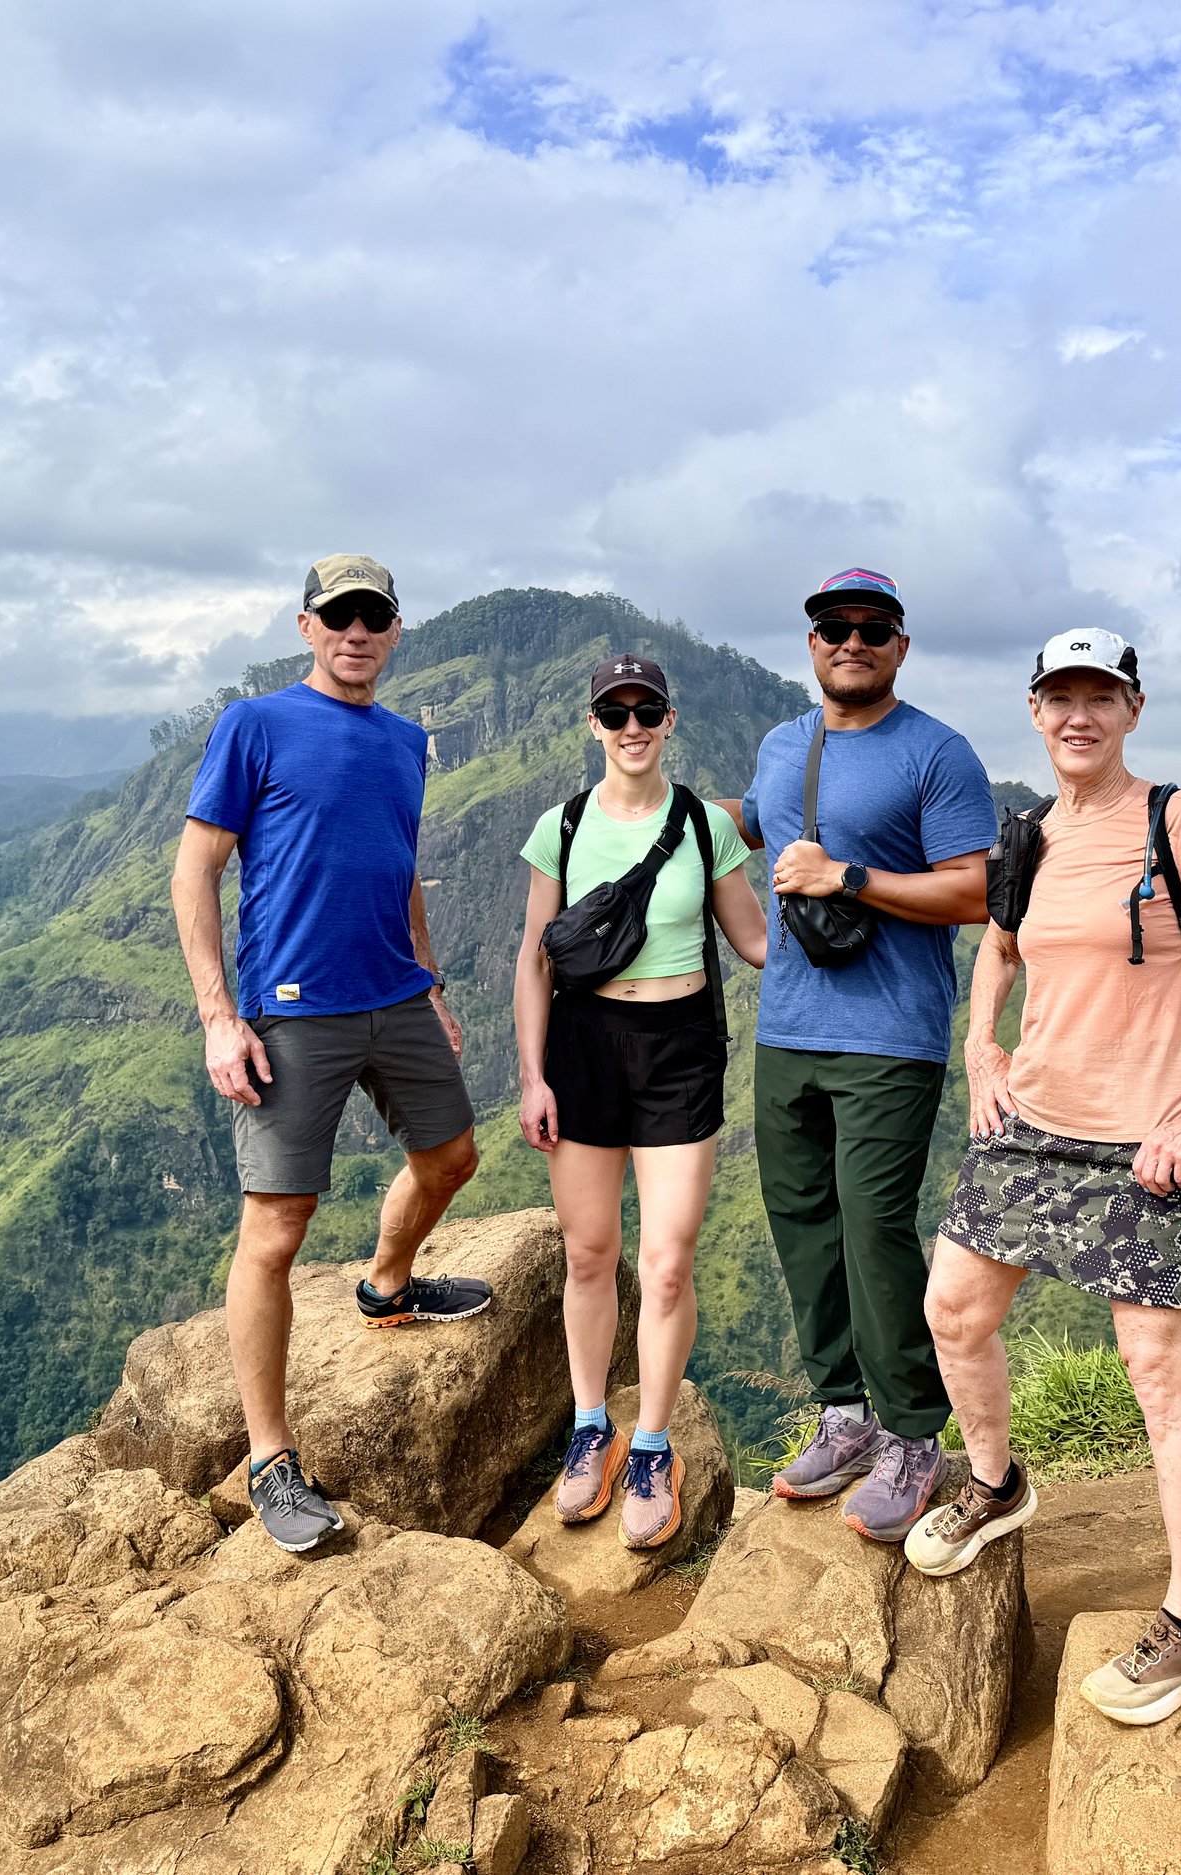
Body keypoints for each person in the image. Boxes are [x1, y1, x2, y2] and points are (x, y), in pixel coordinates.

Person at [908, 626, 1181, 1727]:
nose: (1078, 715)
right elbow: (998, 946)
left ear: (1132, 710)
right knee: (954, 1312)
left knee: (1159, 1377)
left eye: (1100, 696)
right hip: (1029, 1126)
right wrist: (981, 1046)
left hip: (1146, 1142)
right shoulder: (1024, 837)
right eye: (1059, 696)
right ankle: (994, 1482)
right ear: (1034, 710)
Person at [172, 554, 487, 1555]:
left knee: (452, 1160)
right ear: (307, 628)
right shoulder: (253, 725)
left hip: (395, 994)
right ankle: (272, 1459)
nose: (356, 633)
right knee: (276, 1228)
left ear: (394, 632)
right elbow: (196, 866)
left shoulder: (404, 742)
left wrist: (432, 986)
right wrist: (219, 1015)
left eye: (373, 618)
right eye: (337, 617)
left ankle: (387, 1286)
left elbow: (400, 872)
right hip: (290, 1010)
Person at [723, 569, 998, 1543]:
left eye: (872, 629)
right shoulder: (782, 745)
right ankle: (844, 1411)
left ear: (899, 647)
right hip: (787, 1027)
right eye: (834, 627)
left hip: (888, 1036)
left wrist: (849, 876)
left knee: (874, 1228)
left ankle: (915, 1433)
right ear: (810, 644)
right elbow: (749, 822)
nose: (852, 641)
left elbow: (972, 891)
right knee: (802, 1222)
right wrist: (636, 806)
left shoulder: (936, 753)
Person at [513, 656, 769, 1549]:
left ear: (669, 719)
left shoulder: (705, 826)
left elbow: (755, 941)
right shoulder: (564, 826)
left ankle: (653, 1444)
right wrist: (533, 1073)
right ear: (593, 723)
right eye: (614, 712)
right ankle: (592, 1428)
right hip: (583, 1048)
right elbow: (534, 959)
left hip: (679, 1049)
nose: (631, 725)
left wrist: (858, 897)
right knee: (590, 1255)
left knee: (665, 1261)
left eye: (645, 709)